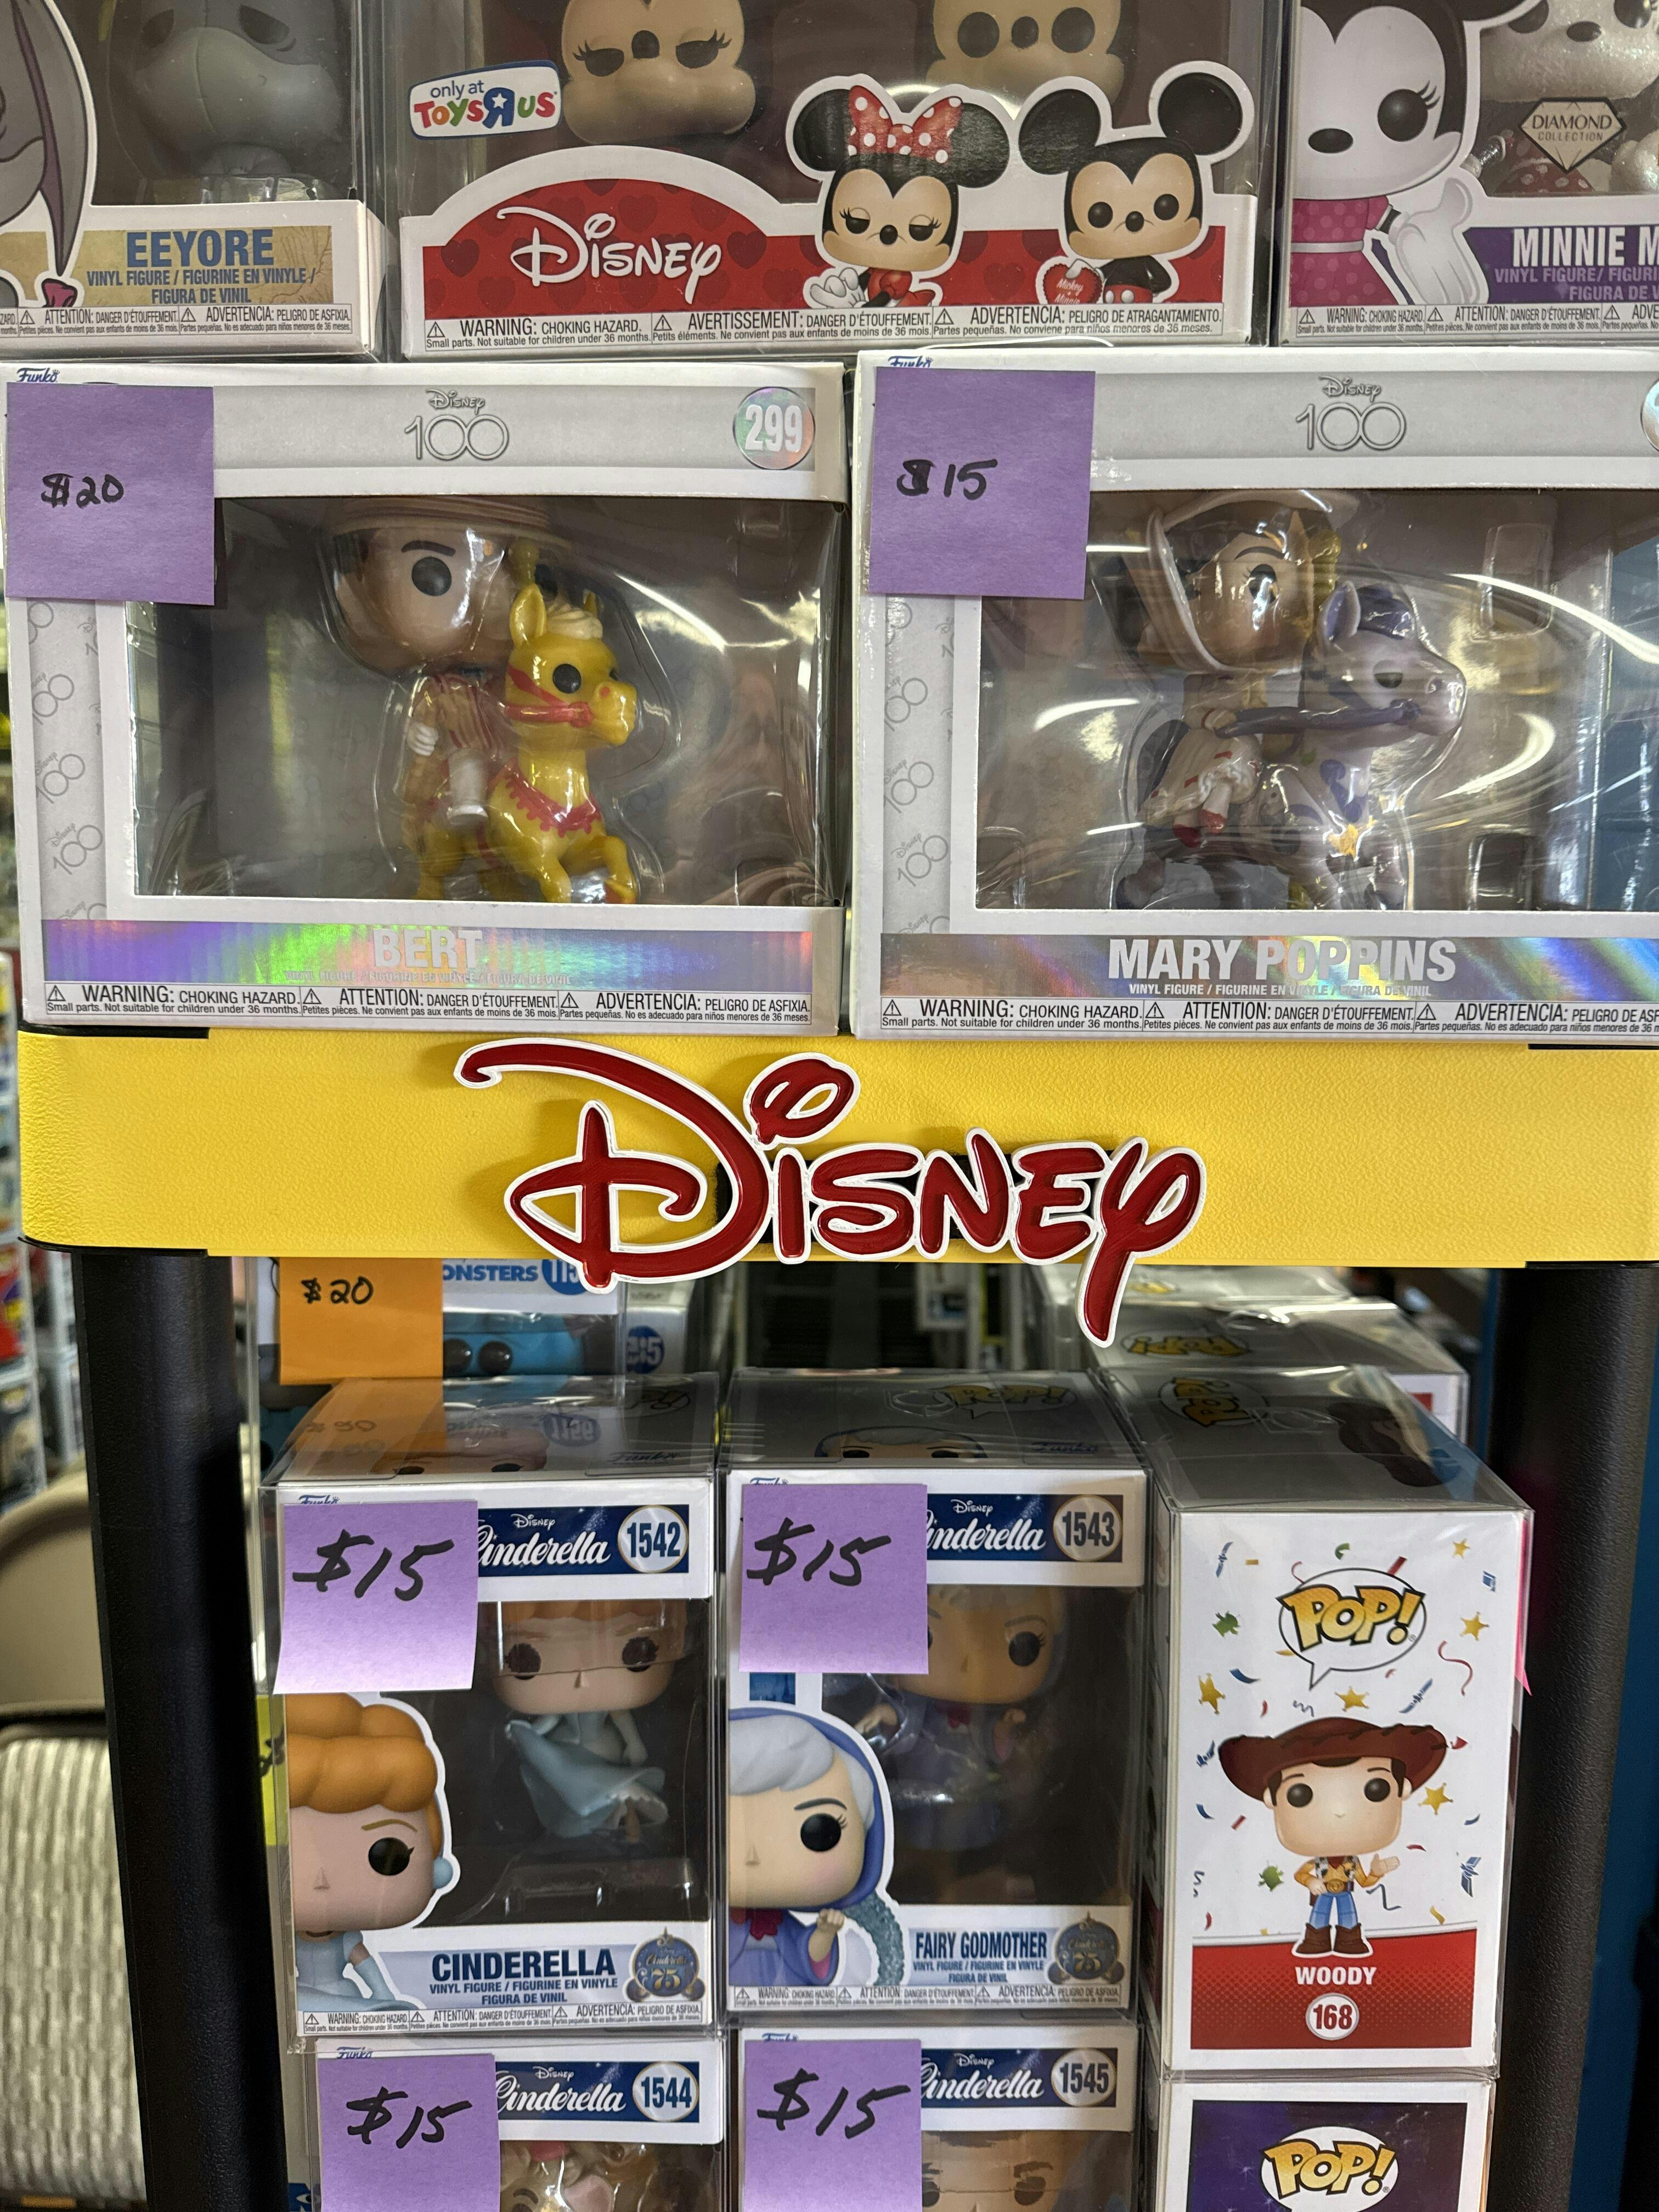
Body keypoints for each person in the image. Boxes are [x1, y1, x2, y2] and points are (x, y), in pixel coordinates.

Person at [285, 1692, 454, 2013]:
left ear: (436, 1871)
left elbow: (369, 1971)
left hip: (344, 1998)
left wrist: (385, 1998)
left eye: (387, 1855)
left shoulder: (345, 1942)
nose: (321, 1880)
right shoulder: (288, 1944)